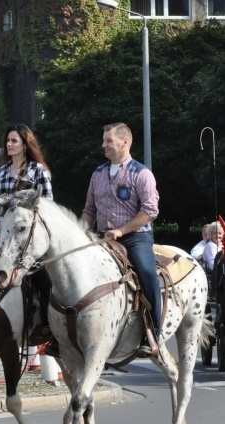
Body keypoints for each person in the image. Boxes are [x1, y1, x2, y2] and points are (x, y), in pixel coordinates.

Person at [81, 122, 161, 358]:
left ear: (125, 142)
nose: (103, 145)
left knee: (147, 273)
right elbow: (89, 210)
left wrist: (121, 231)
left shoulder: (142, 174)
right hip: (104, 238)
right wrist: (80, 233)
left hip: (136, 238)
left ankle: (153, 334)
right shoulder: (97, 173)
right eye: (104, 140)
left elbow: (150, 211)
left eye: (108, 141)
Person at [0, 124, 54, 338]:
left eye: (13, 141)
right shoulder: (3, 171)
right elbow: (0, 204)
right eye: (7, 141)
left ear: (25, 144)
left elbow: (48, 206)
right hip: (6, 233)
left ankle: (48, 325)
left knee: (44, 280)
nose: (8, 145)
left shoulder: (38, 170)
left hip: (29, 235)